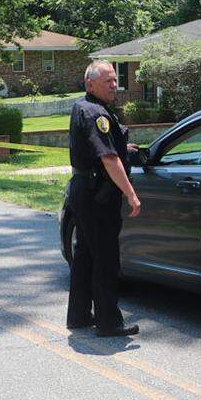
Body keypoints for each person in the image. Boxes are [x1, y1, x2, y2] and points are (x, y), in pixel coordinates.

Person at [66, 61, 142, 337]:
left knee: (86, 254)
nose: (114, 85)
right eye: (108, 81)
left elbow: (104, 146)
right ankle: (109, 322)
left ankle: (79, 315)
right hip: (97, 195)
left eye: (115, 80)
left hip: (84, 189)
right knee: (106, 258)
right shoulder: (97, 113)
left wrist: (125, 147)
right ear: (90, 84)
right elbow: (108, 158)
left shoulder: (83, 107)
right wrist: (131, 194)